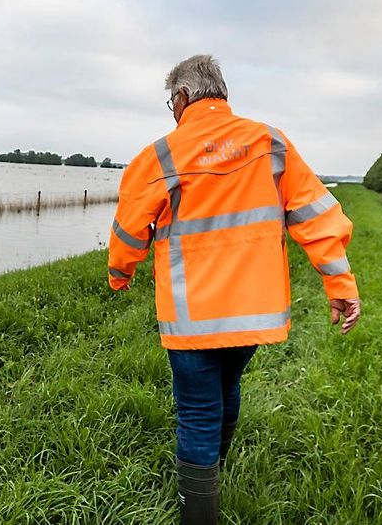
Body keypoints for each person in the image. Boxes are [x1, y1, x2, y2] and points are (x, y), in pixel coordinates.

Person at [107, 55, 361, 524]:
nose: (173, 109)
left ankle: (198, 511)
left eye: (171, 101)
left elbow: (128, 228)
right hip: (254, 312)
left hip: (192, 314)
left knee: (197, 410)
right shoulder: (270, 143)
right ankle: (214, 471)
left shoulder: (159, 156)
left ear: (182, 97)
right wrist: (339, 282)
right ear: (220, 93)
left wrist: (120, 273)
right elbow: (316, 216)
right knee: (227, 386)